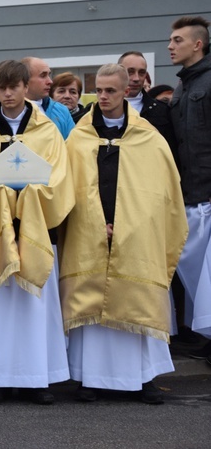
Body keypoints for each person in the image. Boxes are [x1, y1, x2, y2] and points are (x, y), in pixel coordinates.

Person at [60, 63, 188, 404]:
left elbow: (160, 193)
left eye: (110, 91)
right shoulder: (79, 135)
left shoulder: (148, 137)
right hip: (90, 231)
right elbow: (70, 187)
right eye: (98, 90)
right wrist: (96, 223)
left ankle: (142, 379)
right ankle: (89, 378)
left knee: (136, 301)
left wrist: (128, 223)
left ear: (127, 90)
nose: (103, 97)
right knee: (92, 305)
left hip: (135, 233)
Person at [0, 60, 74, 405]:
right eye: (1, 88)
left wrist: (31, 193)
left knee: (34, 307)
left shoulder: (47, 130)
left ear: (26, 87)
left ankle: (38, 379)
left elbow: (60, 177)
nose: (7, 94)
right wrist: (2, 193)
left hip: (34, 227)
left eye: (14, 87)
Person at [168, 16, 211, 364]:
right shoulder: (182, 87)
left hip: (208, 193)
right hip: (190, 195)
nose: (170, 45)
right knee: (197, 273)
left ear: (198, 44)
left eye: (177, 40)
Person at [117, 52, 176, 156]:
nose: (136, 78)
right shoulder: (99, 110)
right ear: (118, 73)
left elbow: (171, 152)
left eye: (141, 72)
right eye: (130, 72)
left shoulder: (162, 110)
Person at [21, 57, 75, 139]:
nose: (50, 81)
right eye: (43, 76)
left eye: (49, 75)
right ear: (25, 80)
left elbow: (72, 146)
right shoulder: (9, 112)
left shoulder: (61, 111)